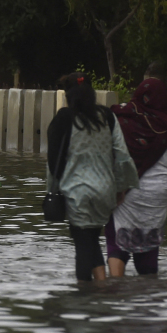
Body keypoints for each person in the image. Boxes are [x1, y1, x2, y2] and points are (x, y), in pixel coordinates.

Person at [46, 72, 139, 282]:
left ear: (68, 95)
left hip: (76, 193)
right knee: (92, 240)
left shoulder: (64, 118)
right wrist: (121, 188)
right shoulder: (107, 116)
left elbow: (53, 163)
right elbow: (122, 156)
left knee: (82, 245)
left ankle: (85, 300)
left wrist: (51, 191)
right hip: (105, 191)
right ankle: (102, 285)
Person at [106, 76, 167, 276]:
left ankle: (114, 289)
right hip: (157, 195)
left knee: (117, 243)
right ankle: (149, 292)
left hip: (125, 194)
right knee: (149, 249)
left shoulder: (121, 119)